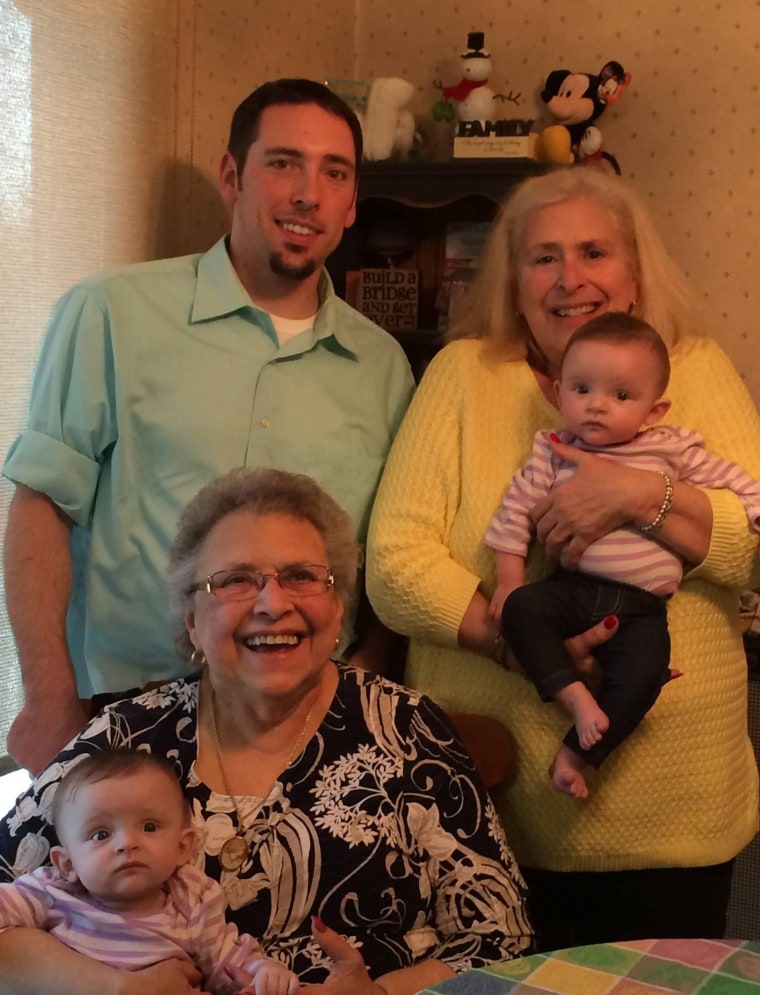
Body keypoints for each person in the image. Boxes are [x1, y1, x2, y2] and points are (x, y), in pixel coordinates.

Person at [366, 165, 760, 950]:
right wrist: (519, 640)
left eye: (594, 252)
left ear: (636, 273)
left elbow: (751, 544)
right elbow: (395, 564)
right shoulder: (463, 375)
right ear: (514, 281)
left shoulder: (696, 368)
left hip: (675, 805)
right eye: (543, 257)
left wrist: (636, 496)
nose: (569, 278)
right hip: (487, 804)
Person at [2, 77, 415, 775]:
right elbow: (42, 506)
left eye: (333, 172)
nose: (308, 193)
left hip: (306, 730)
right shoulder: (111, 313)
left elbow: (386, 561)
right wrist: (47, 696)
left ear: (350, 203)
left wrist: (363, 691)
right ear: (232, 176)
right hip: (123, 717)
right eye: (283, 163)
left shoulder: (383, 368)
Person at [0, 467, 532, 995]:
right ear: (191, 621)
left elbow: (500, 938)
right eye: (234, 580)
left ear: (338, 604)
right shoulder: (124, 737)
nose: (274, 604)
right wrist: (111, 987)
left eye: (302, 576)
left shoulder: (408, 729)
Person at [485, 313, 760, 798]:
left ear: (655, 411)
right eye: (582, 389)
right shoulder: (552, 452)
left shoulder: (669, 450)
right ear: (558, 393)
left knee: (647, 676)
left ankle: (577, 755)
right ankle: (573, 696)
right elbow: (514, 515)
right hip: (574, 592)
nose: (597, 406)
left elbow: (733, 479)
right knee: (521, 609)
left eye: (622, 395)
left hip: (641, 608)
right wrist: (508, 580)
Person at [0, 749, 299, 995]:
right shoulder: (52, 891)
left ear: (183, 846)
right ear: (67, 864)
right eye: (101, 835)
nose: (127, 843)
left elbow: (229, 963)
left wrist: (264, 974)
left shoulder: (192, 900)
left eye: (149, 827)